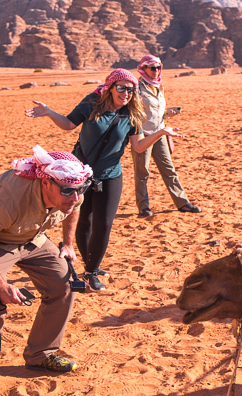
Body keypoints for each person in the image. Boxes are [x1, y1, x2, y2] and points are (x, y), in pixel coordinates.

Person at [26, 68, 182, 291]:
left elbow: (137, 146)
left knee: (104, 224)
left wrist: (161, 133)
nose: (126, 93)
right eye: (121, 88)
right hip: (81, 174)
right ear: (110, 87)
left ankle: (90, 271)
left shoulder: (132, 114)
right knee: (84, 220)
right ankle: (91, 263)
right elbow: (69, 124)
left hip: (111, 175)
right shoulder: (92, 103)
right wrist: (49, 112)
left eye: (130, 90)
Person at [0, 145, 92, 394]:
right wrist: (1, 286)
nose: (74, 196)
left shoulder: (72, 187)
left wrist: (69, 244)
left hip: (34, 239)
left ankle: (41, 353)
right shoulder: (6, 199)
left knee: (65, 285)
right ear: (46, 183)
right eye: (68, 191)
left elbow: (75, 208)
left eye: (79, 190)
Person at [131, 55, 201, 217]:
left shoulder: (159, 87)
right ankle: (144, 207)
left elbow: (155, 112)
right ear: (143, 69)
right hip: (144, 134)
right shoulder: (137, 89)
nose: (156, 71)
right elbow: (133, 112)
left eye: (158, 67)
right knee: (142, 172)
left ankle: (182, 203)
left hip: (160, 132)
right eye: (152, 68)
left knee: (169, 169)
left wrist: (167, 114)